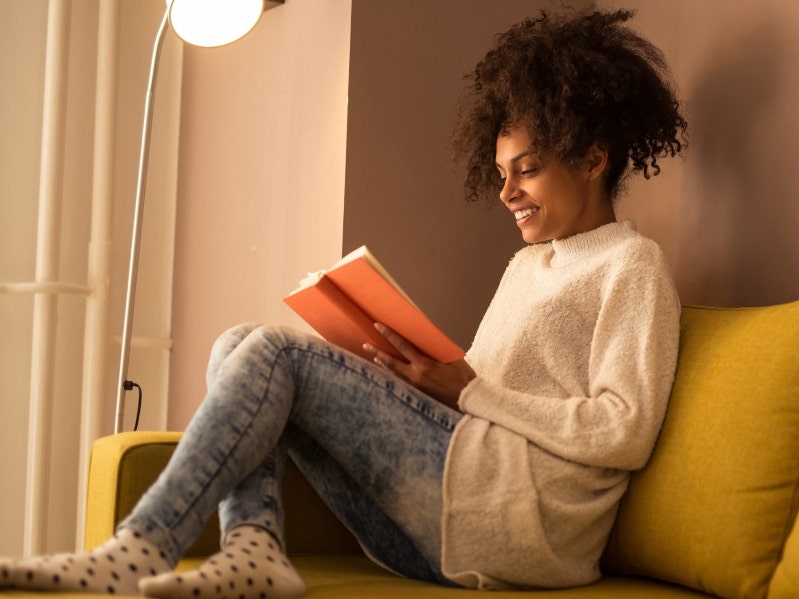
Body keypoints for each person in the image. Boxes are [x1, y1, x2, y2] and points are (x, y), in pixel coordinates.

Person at [0, 7, 686, 596]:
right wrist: (413, 376)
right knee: (237, 343)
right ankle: (254, 550)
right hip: (456, 513)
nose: (506, 193)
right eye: (502, 173)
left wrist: (470, 390)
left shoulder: (632, 264)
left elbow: (624, 428)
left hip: (524, 527)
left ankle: (142, 544)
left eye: (527, 170)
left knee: (269, 351)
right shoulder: (529, 264)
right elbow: (479, 396)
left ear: (594, 158)